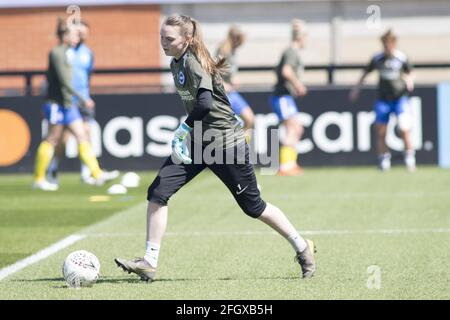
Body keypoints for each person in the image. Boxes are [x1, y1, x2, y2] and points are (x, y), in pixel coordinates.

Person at [114, 14, 316, 282]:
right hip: (198, 144)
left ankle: (303, 247)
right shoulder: (177, 61)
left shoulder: (194, 62)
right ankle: (149, 262)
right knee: (158, 192)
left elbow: (205, 104)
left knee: (253, 207)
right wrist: (189, 133)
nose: (163, 42)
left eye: (169, 38)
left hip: (225, 145)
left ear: (187, 39)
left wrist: (183, 128)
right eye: (161, 37)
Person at [33, 19, 117, 191]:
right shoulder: (57, 52)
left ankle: (97, 174)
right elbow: (65, 81)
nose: (76, 37)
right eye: (73, 34)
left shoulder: (69, 52)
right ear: (64, 35)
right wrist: (82, 98)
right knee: (53, 139)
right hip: (57, 103)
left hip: (68, 104)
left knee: (82, 136)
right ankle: (39, 178)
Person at [349, 29, 416, 172]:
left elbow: (410, 72)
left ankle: (410, 159)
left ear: (394, 44)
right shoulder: (377, 58)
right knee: (380, 131)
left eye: (389, 45)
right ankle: (384, 160)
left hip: (400, 99)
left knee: (404, 129)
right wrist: (356, 89)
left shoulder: (401, 58)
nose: (387, 48)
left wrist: (410, 80)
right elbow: (365, 73)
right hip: (383, 100)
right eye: (385, 45)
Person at [271, 19, 308, 176]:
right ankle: (285, 166)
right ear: (301, 37)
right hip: (282, 96)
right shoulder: (291, 52)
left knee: (297, 128)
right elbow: (286, 71)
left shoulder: (291, 51)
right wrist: (298, 84)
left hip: (285, 96)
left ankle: (291, 163)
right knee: (292, 129)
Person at [216, 25, 255, 143]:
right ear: (235, 38)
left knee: (249, 120)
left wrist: (232, 80)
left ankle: (240, 150)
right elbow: (212, 73)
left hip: (231, 92)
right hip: (223, 93)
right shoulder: (223, 51)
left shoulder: (232, 51)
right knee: (239, 123)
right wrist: (223, 84)